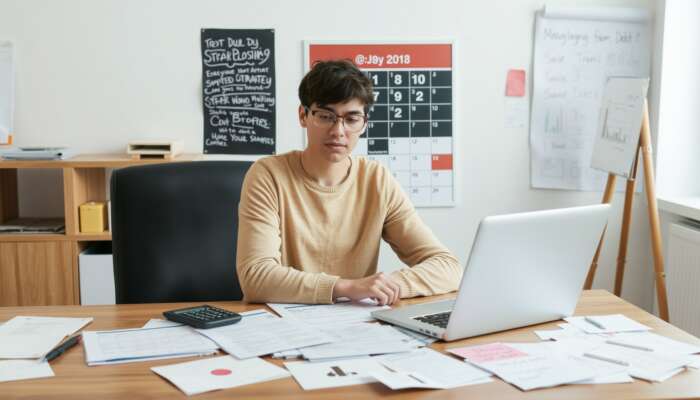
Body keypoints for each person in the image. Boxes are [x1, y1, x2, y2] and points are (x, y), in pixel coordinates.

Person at [236, 59, 462, 305]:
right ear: (303, 115)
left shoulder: (377, 179)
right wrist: (346, 287)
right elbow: (255, 277)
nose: (338, 131)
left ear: (364, 123)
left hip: (357, 326)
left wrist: (386, 286)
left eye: (352, 119)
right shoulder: (267, 174)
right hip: (285, 323)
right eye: (325, 116)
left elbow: (448, 267)